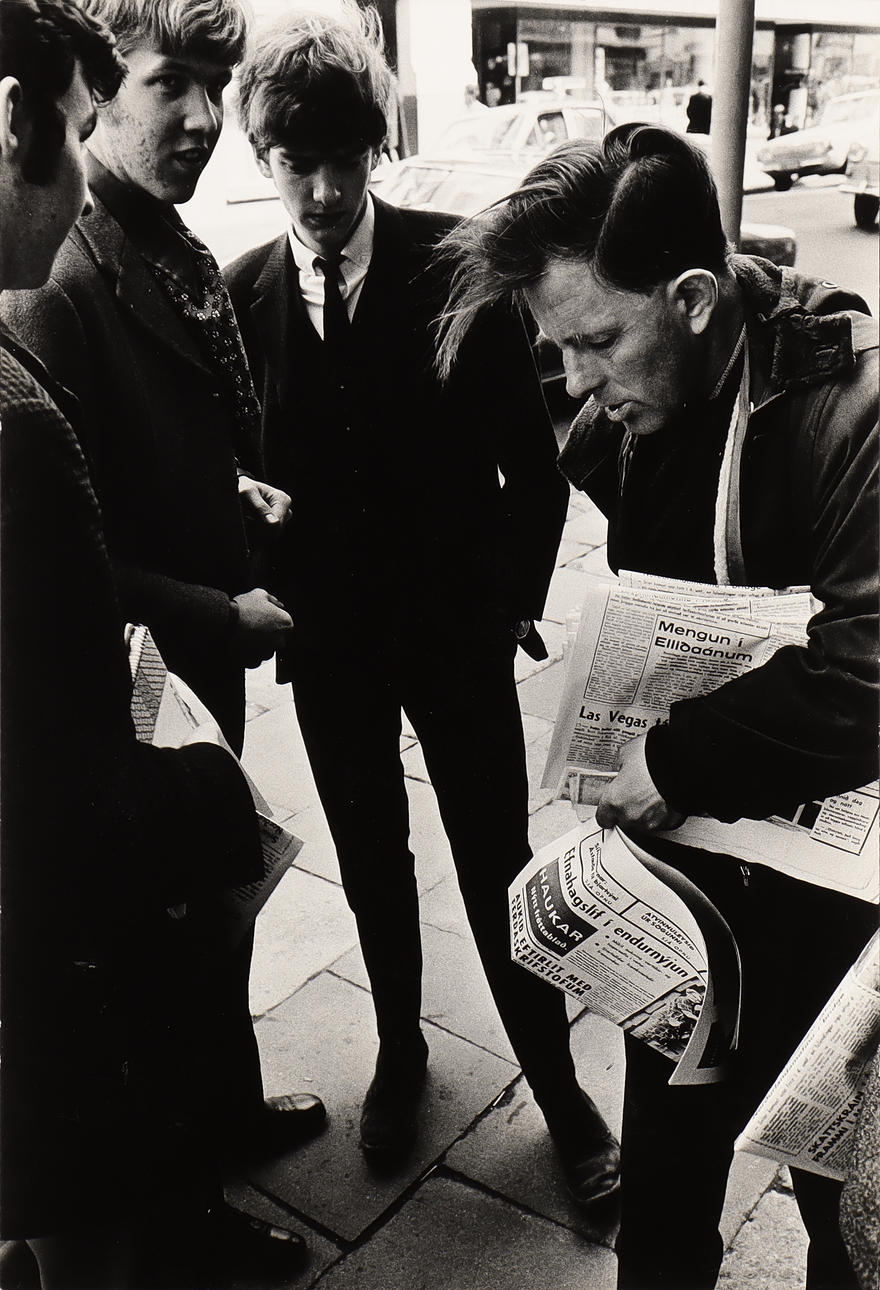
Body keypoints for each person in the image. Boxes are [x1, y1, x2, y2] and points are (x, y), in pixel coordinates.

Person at [435, 123, 878, 1290]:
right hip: (681, 892)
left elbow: (869, 672)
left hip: (824, 897)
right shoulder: (631, 411)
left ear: (691, 297)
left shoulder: (855, 404)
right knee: (665, 1195)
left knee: (838, 1205)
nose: (574, 382)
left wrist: (673, 762)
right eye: (556, 348)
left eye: (594, 342)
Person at [225, 3, 621, 1205]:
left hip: (452, 635)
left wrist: (505, 598)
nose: (325, 192)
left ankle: (556, 1088)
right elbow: (232, 473)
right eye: (299, 164)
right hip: (330, 650)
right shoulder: (237, 299)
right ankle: (399, 1053)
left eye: (347, 162)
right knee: (369, 864)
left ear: (374, 151)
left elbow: (533, 465)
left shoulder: (458, 267)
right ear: (267, 158)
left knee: (499, 865)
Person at [0, 0, 327, 1234]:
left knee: (217, 921)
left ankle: (227, 1118)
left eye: (211, 85)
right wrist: (216, 606)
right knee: (158, 958)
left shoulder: (167, 246)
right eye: (164, 83)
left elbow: (137, 459)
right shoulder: (53, 276)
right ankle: (193, 1206)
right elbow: (67, 558)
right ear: (87, 99)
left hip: (195, 667)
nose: (201, 118)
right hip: (143, 684)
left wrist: (223, 485)